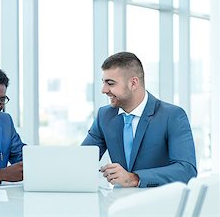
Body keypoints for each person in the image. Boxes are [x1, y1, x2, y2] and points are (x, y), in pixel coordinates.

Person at [82, 52, 197, 188]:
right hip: (117, 202)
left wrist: (134, 178)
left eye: (110, 83)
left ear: (133, 83)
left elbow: (187, 170)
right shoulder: (104, 115)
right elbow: (82, 161)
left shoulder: (172, 115)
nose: (104, 90)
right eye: (103, 83)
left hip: (159, 202)